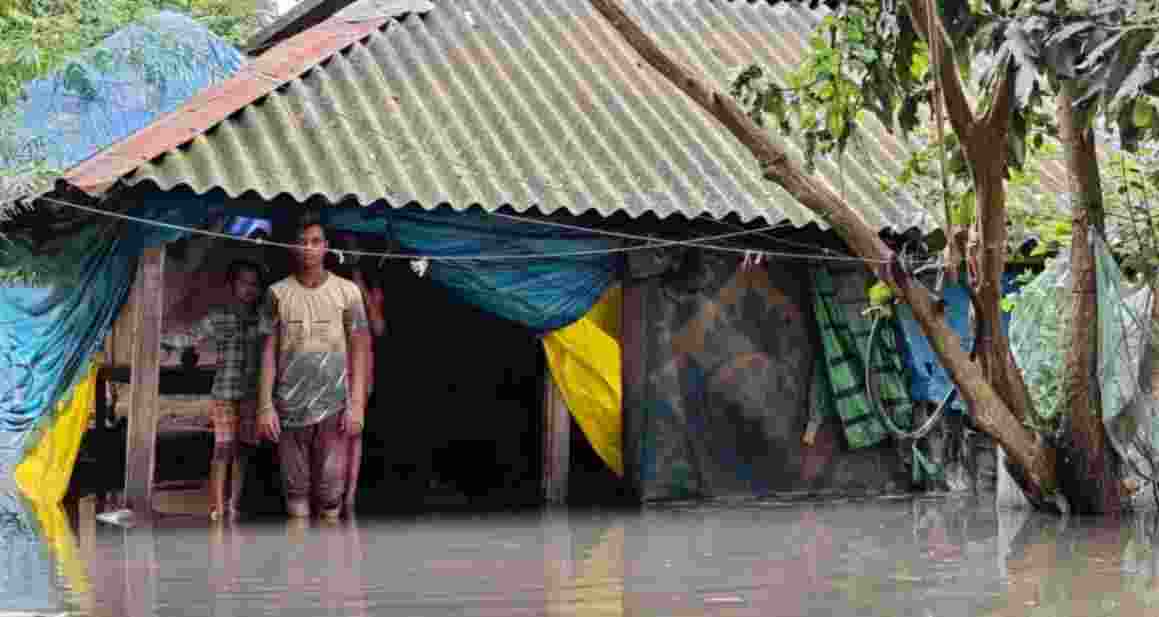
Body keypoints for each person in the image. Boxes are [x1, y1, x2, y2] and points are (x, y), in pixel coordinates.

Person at [258, 211, 371, 520]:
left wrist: (357, 405)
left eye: (315, 241)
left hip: (334, 409)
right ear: (293, 247)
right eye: (302, 242)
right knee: (296, 500)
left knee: (331, 502)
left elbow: (360, 348)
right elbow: (267, 351)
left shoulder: (348, 292)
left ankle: (328, 553)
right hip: (289, 410)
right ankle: (300, 552)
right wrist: (265, 406)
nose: (308, 248)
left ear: (326, 246)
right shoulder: (276, 294)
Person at [162, 259, 264, 521]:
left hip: (251, 396)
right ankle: (217, 507)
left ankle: (234, 505)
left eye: (254, 284)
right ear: (232, 285)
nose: (249, 289)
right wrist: (161, 339)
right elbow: (190, 336)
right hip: (224, 395)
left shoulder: (261, 320)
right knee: (222, 451)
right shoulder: (219, 317)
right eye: (243, 283)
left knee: (243, 452)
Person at [329, 233, 386, 517]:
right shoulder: (330, 284)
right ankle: (333, 493)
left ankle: (349, 495)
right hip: (335, 364)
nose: (353, 253)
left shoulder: (371, 286)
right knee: (333, 430)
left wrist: (359, 283)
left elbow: (378, 327)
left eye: (357, 248)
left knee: (354, 431)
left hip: (362, 366)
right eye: (348, 248)